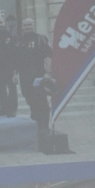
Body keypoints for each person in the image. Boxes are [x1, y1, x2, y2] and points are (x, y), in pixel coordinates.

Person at [13, 17, 56, 151]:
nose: (27, 27)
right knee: (29, 99)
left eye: (29, 25)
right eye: (25, 25)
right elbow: (16, 59)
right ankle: (36, 122)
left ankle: (44, 126)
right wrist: (15, 74)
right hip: (24, 76)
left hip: (38, 75)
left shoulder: (40, 39)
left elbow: (49, 55)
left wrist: (48, 72)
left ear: (34, 25)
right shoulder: (19, 41)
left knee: (41, 100)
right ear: (22, 26)